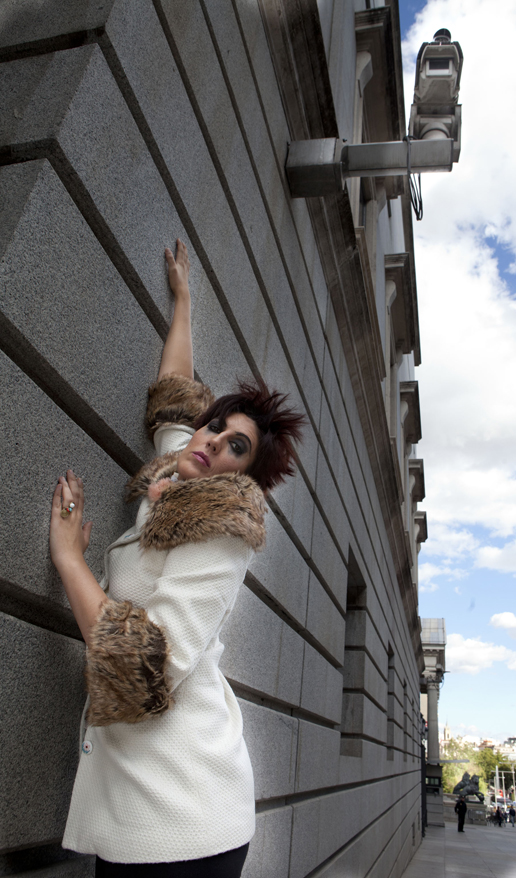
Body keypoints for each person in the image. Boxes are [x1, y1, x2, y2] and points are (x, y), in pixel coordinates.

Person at [49, 240, 305, 877]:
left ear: (242, 477)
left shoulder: (220, 530)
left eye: (236, 447)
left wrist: (71, 561)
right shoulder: (177, 469)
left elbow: (147, 663)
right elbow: (176, 401)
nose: (213, 441)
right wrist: (184, 298)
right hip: (145, 810)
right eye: (216, 428)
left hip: (187, 820)